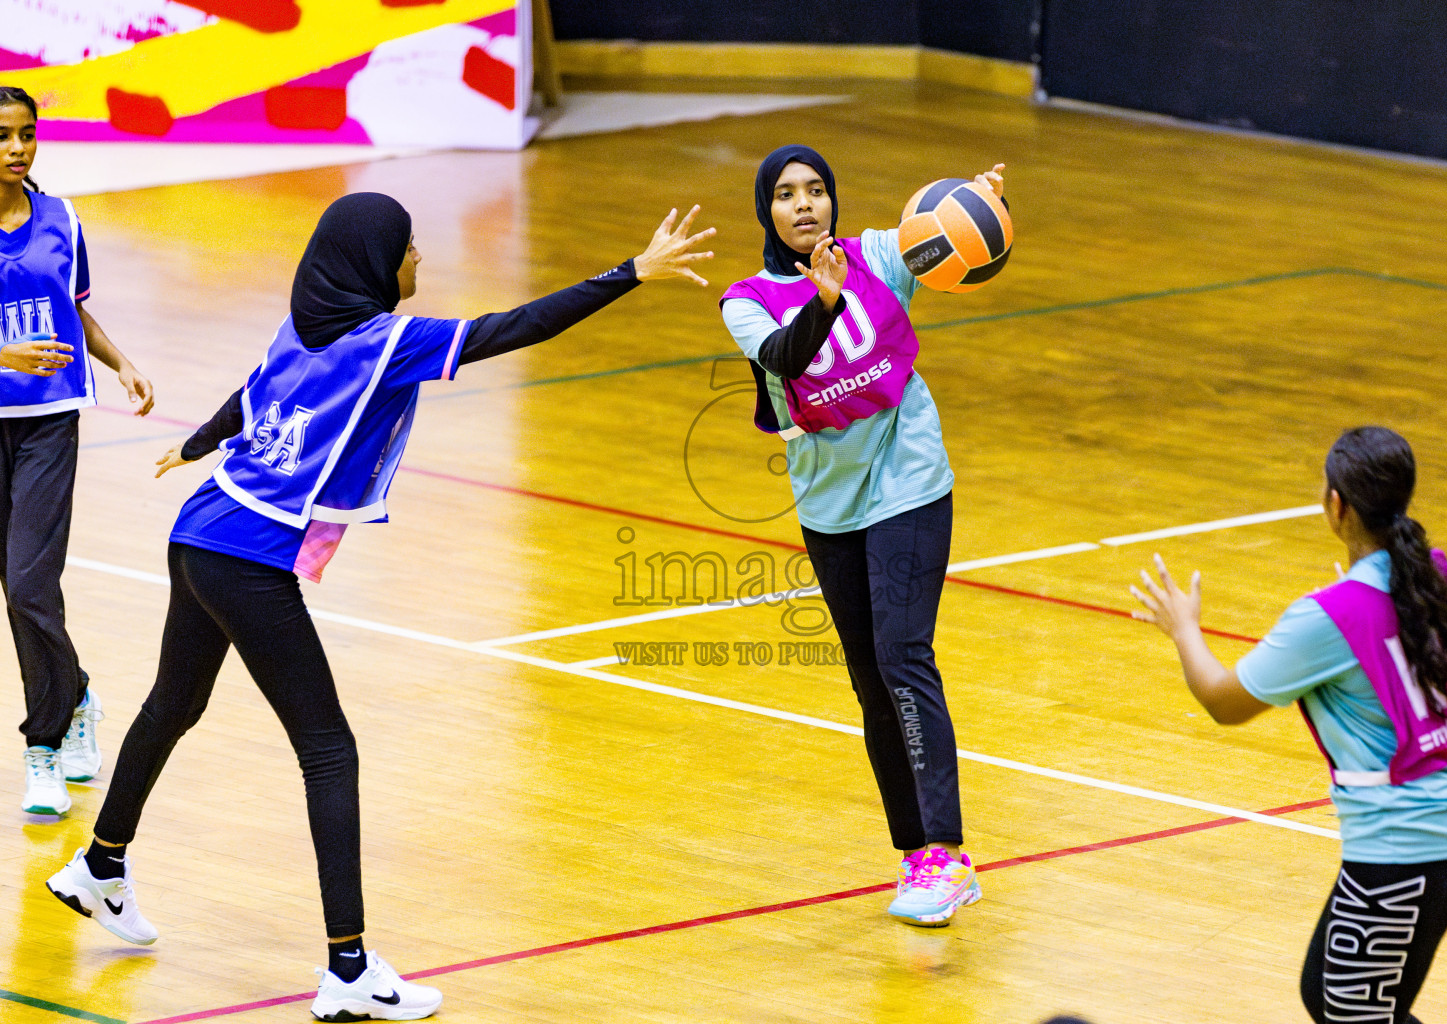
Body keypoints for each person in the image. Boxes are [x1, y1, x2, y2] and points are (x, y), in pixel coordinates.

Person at [45, 191, 714, 1020]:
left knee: (174, 703)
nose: (419, 262)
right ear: (372, 262)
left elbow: (250, 396)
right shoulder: (390, 342)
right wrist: (632, 274)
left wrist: (195, 445)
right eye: (408, 248)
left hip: (199, 533)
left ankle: (100, 866)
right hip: (248, 557)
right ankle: (349, 969)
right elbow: (519, 327)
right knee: (329, 751)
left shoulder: (303, 322)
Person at [720, 145, 1006, 927]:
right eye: (786, 195)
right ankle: (917, 857)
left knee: (902, 653)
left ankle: (948, 855)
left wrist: (974, 203)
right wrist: (824, 301)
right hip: (828, 504)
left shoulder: (879, 254)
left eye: (817, 190)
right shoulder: (746, 300)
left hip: (911, 480)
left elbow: (939, 239)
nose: (805, 205)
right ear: (767, 212)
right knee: (868, 680)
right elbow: (784, 356)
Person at [1129, 426, 1447, 1024]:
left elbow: (1225, 701)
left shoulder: (1329, 616)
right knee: (1331, 995)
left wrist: (1184, 630)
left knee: (1348, 1011)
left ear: (1337, 506)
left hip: (1409, 848)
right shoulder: (1429, 576)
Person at [0, 85, 155, 816]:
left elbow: (73, 304)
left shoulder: (62, 217)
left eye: (27, 133)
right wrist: (4, 356)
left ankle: (44, 746)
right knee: (18, 591)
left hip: (51, 421)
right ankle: (79, 691)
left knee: (30, 585)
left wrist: (120, 361)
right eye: (4, 136)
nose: (18, 147)